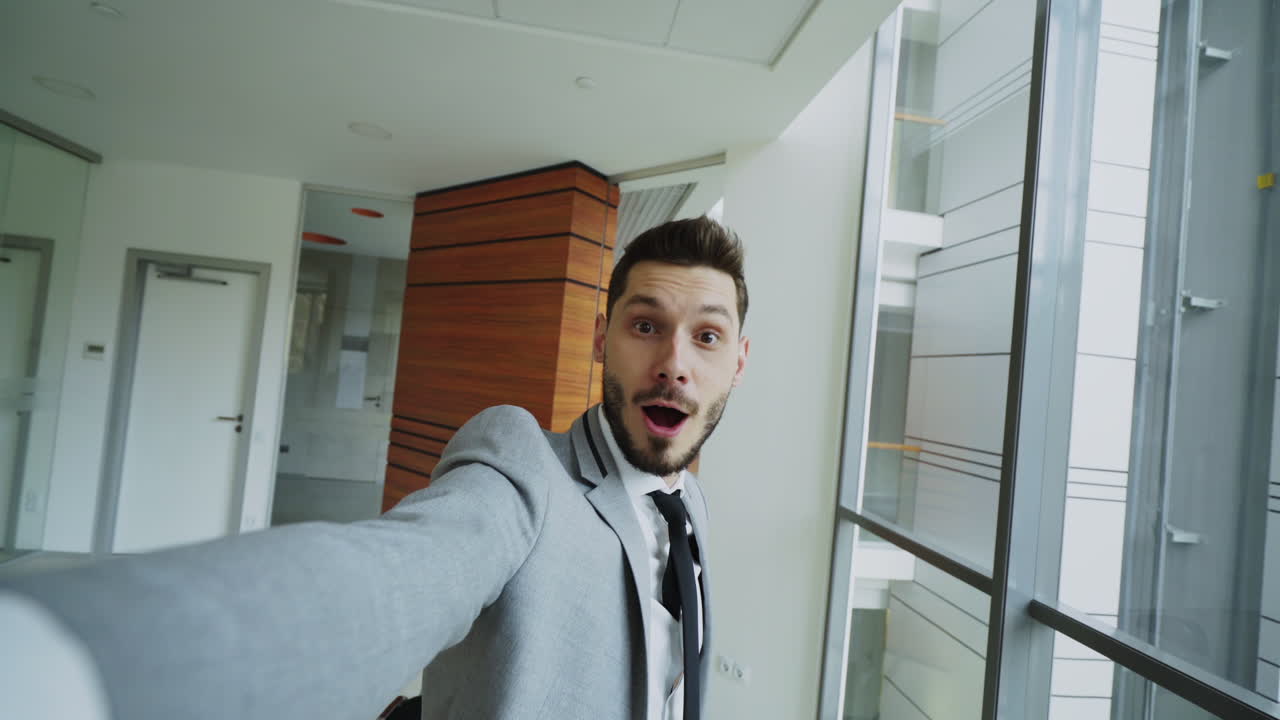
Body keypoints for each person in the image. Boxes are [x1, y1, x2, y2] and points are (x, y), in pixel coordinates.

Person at [0, 216, 751, 720]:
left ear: (739, 362)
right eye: (646, 325)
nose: (674, 365)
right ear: (601, 339)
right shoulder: (526, 470)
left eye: (708, 338)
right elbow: (388, 576)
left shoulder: (697, 510)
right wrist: (66, 665)